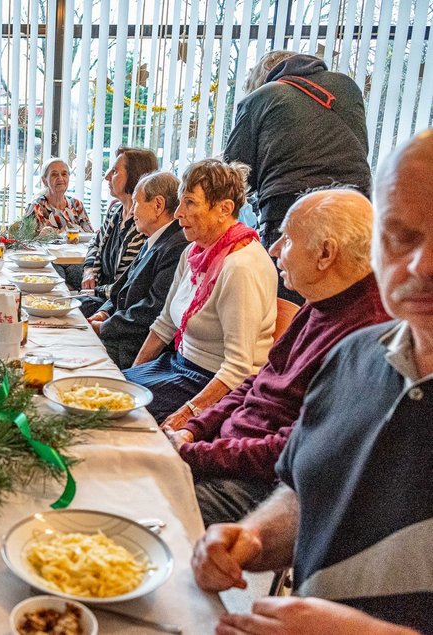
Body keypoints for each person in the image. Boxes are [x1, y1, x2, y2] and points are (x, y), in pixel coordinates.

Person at [192, 130, 433, 635]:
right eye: (402, 236)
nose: (421, 264)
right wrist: (254, 536)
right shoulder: (359, 355)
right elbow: (310, 490)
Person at [166, 189, 388, 527]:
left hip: (263, 485)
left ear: (325, 254)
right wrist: (194, 430)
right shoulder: (321, 298)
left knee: (140, 506)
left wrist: (193, 453)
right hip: (227, 451)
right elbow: (257, 382)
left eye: (287, 239)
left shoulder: (367, 332)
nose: (273, 249)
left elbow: (293, 449)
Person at [123, 159, 277, 426]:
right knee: (113, 388)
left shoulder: (240, 266)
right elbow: (165, 325)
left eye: (190, 203)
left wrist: (186, 415)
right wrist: (135, 374)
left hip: (211, 383)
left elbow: (237, 370)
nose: (178, 212)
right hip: (178, 365)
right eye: (180, 201)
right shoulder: (193, 251)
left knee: (118, 410)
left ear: (224, 209)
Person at [224, 51, 371, 302]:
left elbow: (235, 175)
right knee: (347, 301)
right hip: (354, 209)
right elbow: (361, 148)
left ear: (262, 77)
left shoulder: (260, 98)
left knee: (286, 299)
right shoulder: (348, 88)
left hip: (288, 209)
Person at [88, 172, 189, 368]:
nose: (132, 211)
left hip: (133, 346)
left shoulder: (176, 247)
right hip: (122, 333)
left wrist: (105, 327)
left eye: (136, 203)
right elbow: (121, 288)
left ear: (158, 205)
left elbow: (152, 310)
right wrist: (103, 313)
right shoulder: (155, 238)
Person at [81, 147, 158, 313]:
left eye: (115, 171)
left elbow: (129, 286)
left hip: (117, 303)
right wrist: (89, 271)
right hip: (100, 294)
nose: (107, 176)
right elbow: (96, 241)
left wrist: (95, 291)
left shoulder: (145, 223)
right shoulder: (115, 210)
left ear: (135, 176)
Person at [25, 158, 92, 233]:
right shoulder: (35, 207)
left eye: (64, 174)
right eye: (54, 174)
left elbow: (90, 236)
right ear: (44, 181)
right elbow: (25, 241)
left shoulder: (77, 205)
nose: (60, 178)